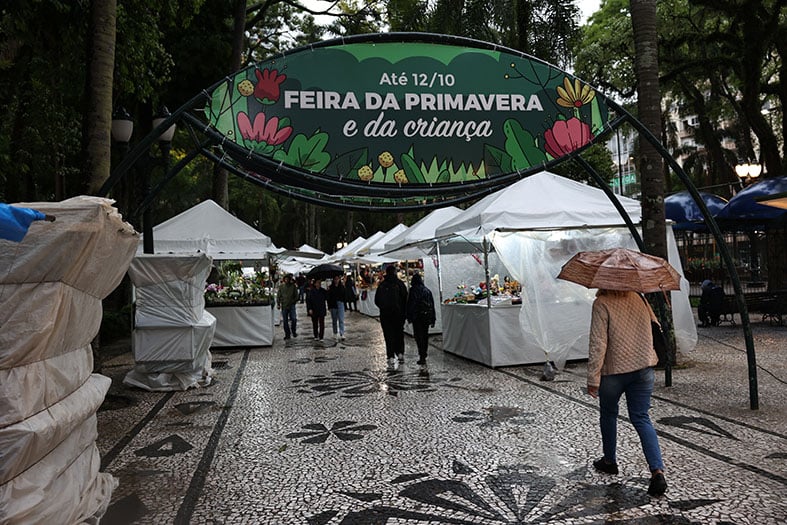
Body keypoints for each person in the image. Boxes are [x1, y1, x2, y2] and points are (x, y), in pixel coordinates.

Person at [586, 289, 667, 497]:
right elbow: (655, 326)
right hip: (643, 369)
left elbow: (598, 343)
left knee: (608, 414)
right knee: (641, 417)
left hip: (614, 371)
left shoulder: (602, 303)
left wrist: (593, 378)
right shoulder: (640, 298)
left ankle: (610, 461)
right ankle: (657, 471)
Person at [374, 265, 408, 364]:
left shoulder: (382, 285)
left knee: (388, 335)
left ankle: (391, 356)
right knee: (399, 333)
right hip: (398, 314)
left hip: (385, 315)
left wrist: (383, 308)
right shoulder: (400, 284)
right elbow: (405, 298)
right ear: (394, 272)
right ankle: (400, 352)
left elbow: (376, 300)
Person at [405, 272, 436, 366]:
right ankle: (424, 353)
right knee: (425, 335)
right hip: (426, 317)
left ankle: (421, 354)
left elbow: (410, 304)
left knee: (419, 336)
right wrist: (433, 318)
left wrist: (409, 316)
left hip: (417, 317)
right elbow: (432, 305)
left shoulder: (413, 290)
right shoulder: (427, 290)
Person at [276, 273, 299, 340]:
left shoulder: (293, 286)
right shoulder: (281, 287)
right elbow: (278, 296)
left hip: (291, 305)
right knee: (285, 321)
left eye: (287, 279)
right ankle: (287, 334)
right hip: (284, 306)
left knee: (294, 319)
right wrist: (278, 303)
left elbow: (297, 296)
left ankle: (293, 331)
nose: (286, 280)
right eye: (285, 279)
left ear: (289, 279)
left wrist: (293, 301)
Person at [327, 275, 346, 340]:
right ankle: (335, 333)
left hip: (340, 303)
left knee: (341, 319)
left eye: (337, 279)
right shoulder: (330, 287)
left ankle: (342, 333)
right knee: (334, 320)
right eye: (335, 279)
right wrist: (329, 306)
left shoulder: (342, 287)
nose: (336, 280)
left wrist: (344, 305)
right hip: (333, 304)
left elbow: (344, 296)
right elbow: (328, 298)